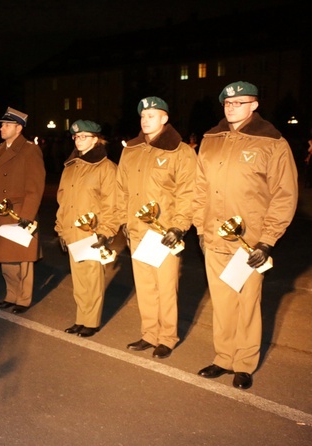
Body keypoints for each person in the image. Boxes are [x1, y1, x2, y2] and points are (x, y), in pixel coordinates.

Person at [193, 81, 298, 390]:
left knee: (248, 303)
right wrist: (199, 228)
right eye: (228, 102)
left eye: (240, 103)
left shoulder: (272, 142)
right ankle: (224, 357)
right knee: (222, 302)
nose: (232, 106)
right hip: (214, 237)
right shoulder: (211, 139)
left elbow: (284, 195)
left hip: (249, 241)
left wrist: (267, 240)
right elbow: (200, 189)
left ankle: (244, 364)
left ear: (254, 105)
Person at [116, 96, 196, 359]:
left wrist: (179, 226)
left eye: (152, 115)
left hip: (164, 233)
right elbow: (121, 190)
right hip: (137, 231)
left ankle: (167, 337)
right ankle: (149, 333)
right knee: (145, 286)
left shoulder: (180, 151)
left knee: (165, 287)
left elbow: (187, 192)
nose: (145, 120)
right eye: (142, 116)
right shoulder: (131, 150)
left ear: (165, 118)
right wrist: (123, 221)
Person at [55, 120, 119, 337]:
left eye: (84, 136)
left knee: (92, 279)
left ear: (96, 139)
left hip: (92, 232)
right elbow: (63, 201)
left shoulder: (106, 167)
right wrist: (61, 229)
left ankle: (91, 321)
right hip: (72, 230)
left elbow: (112, 203)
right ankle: (81, 318)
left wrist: (106, 232)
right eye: (76, 137)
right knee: (79, 280)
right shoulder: (71, 167)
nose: (79, 140)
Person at [0, 107, 45, 314]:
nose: (2, 127)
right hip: (1, 212)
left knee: (23, 260)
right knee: (6, 258)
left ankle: (24, 299)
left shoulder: (29, 150)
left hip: (19, 211)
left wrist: (27, 215)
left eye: (7, 125)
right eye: (2, 124)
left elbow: (35, 186)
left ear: (18, 128)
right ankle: (11, 294)